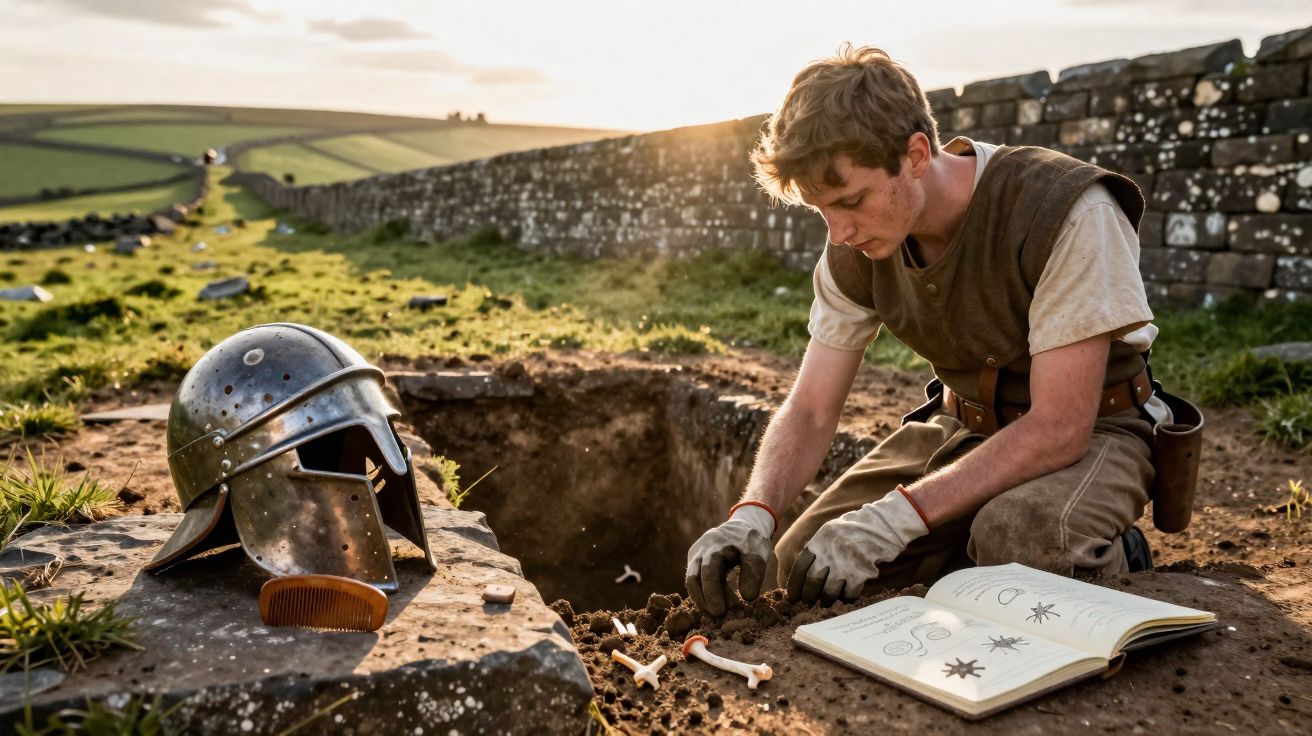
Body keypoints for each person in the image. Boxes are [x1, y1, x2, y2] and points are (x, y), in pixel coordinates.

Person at [685, 45, 1196, 617]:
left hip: (1101, 430)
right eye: (820, 209)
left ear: (916, 154)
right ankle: (955, 556)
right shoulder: (851, 251)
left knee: (1021, 540)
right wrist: (754, 511)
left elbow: (1060, 428)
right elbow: (809, 410)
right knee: (802, 566)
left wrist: (898, 517)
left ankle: (1117, 551)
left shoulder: (1066, 211)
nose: (839, 233)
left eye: (852, 200)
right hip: (963, 426)